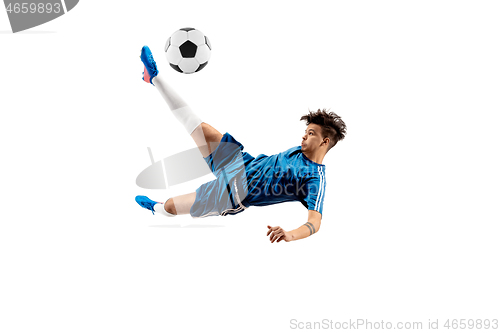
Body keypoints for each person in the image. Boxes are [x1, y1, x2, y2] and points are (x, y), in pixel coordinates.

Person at [135, 46, 346, 243]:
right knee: (202, 128)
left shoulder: (314, 179)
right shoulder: (300, 151)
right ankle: (154, 78)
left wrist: (290, 235)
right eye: (305, 132)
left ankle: (157, 208)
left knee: (172, 205)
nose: (303, 137)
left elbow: (315, 222)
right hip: (241, 162)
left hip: (233, 193)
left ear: (325, 142)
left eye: (310, 134)